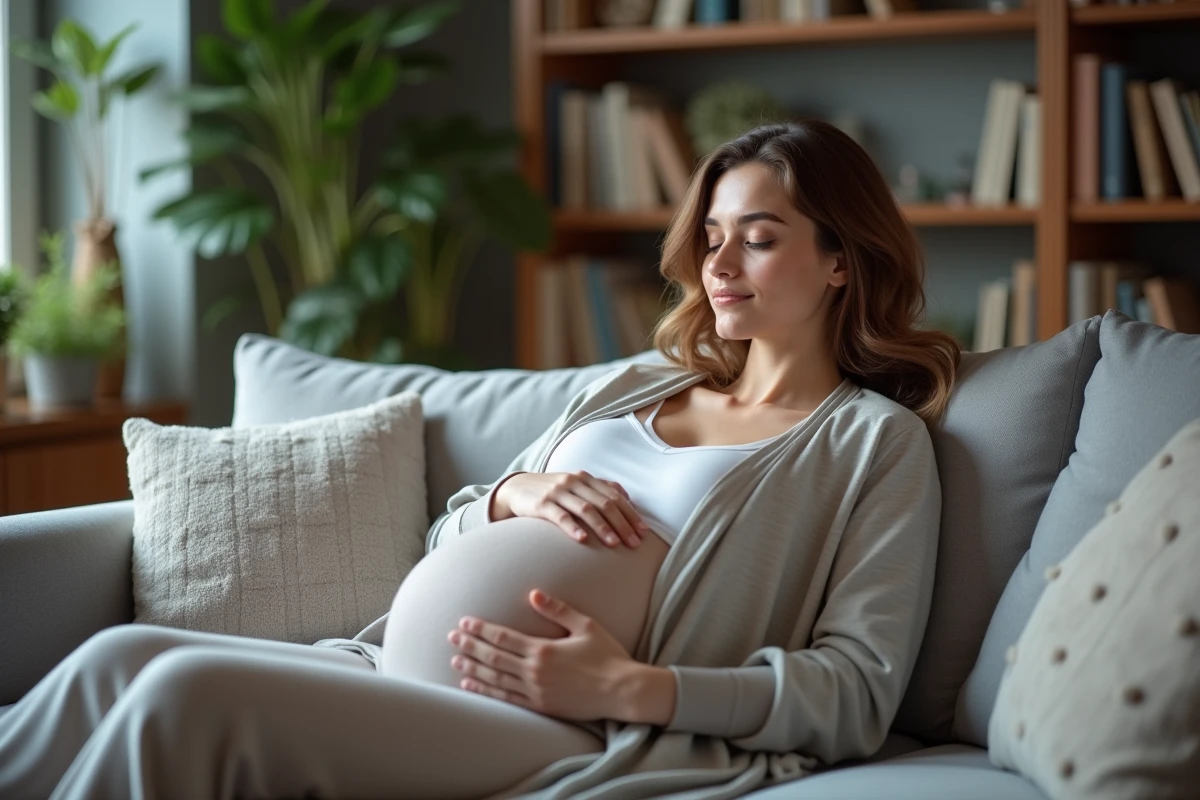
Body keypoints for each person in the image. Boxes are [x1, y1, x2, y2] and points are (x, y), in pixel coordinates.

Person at [0, 119, 959, 800]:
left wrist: (630, 689)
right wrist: (514, 493)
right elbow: (448, 526)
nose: (719, 266)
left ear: (841, 260)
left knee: (182, 694)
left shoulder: (872, 444)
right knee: (117, 656)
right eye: (711, 239)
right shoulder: (637, 387)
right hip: (392, 668)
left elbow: (859, 689)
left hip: (570, 727)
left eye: (758, 239)